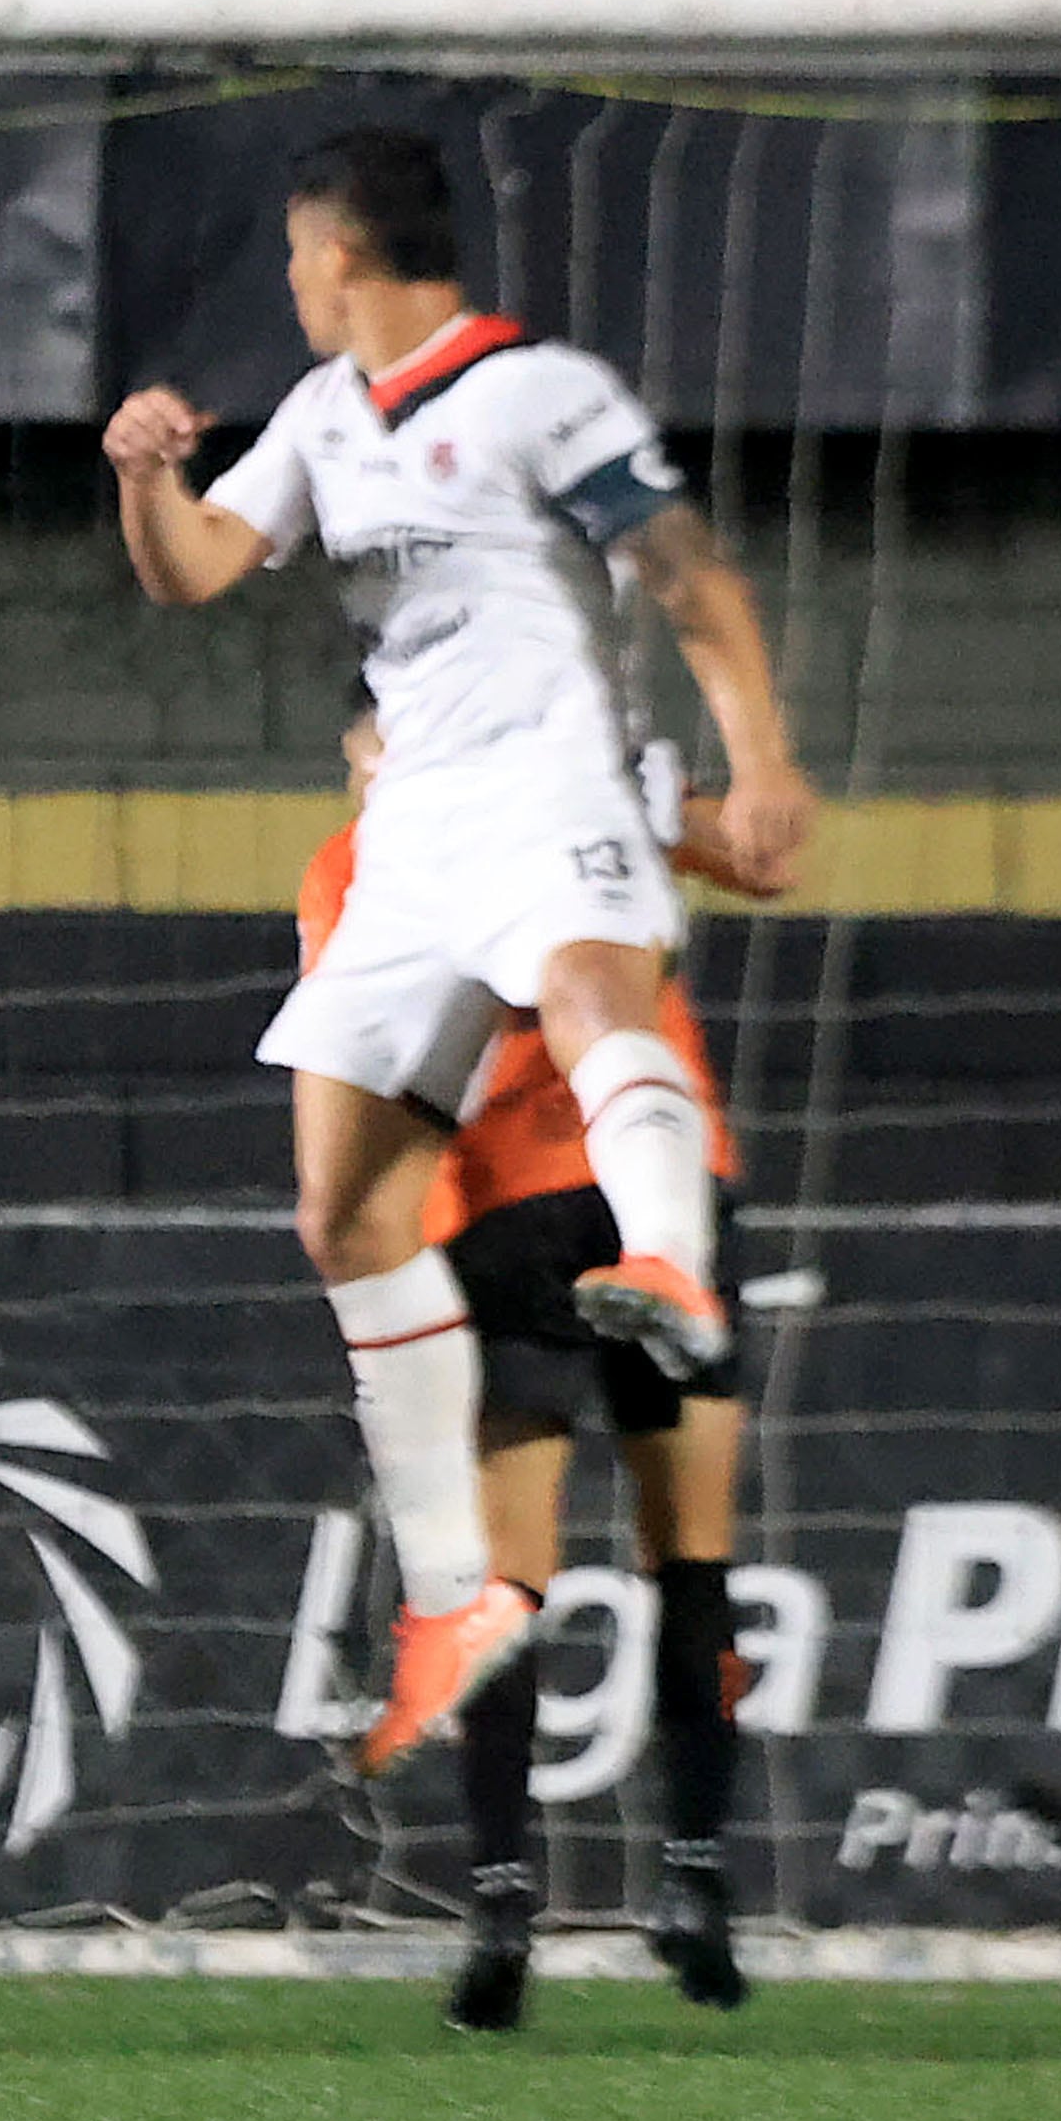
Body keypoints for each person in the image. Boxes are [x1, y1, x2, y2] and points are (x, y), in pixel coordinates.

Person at [106, 125, 816, 1776]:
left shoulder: (532, 389)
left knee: (587, 987)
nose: (290, 283)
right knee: (344, 1204)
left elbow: (687, 570)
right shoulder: (325, 416)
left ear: (339, 253)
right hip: (413, 814)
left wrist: (762, 758)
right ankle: (453, 1595)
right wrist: (146, 477)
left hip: (554, 772)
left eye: (296, 256)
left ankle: (668, 1258)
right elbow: (200, 570)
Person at [299, 692, 763, 2028]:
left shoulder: (447, 846)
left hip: (585, 1211)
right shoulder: (447, 848)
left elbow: (382, 1065)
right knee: (569, 1572)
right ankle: (546, 1900)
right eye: (386, 734)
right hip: (570, 1212)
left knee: (656, 1563)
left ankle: (659, 1885)